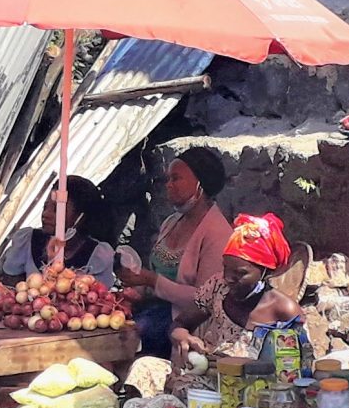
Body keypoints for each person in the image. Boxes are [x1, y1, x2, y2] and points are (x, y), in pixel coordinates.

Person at [115, 148, 234, 359]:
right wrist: (137, 288)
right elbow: (154, 277)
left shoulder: (217, 233)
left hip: (185, 322)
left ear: (200, 183)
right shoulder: (171, 223)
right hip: (156, 309)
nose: (168, 184)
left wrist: (152, 281)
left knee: (130, 335)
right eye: (168, 178)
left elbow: (205, 299)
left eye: (176, 178)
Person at [171, 213, 305, 364]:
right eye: (225, 267)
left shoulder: (285, 310)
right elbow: (180, 323)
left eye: (240, 273)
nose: (228, 278)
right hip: (207, 374)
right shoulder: (217, 286)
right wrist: (182, 336)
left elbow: (302, 364)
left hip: (255, 385)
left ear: (266, 271)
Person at [0, 176, 117, 281]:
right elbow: (10, 285)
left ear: (81, 217)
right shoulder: (28, 241)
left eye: (56, 210)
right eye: (45, 207)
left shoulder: (97, 256)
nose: (46, 214)